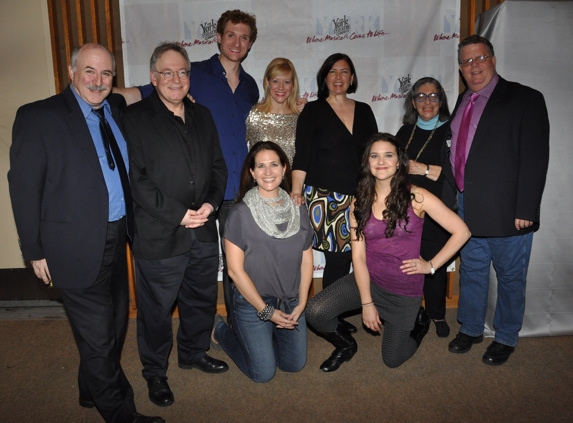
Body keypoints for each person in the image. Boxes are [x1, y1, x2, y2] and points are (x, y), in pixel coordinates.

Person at [8, 43, 164, 423]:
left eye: (106, 73)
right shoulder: (39, 116)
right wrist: (33, 250)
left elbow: (138, 93)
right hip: (70, 246)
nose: (98, 80)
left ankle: (88, 390)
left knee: (110, 328)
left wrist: (172, 88)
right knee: (97, 338)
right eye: (90, 71)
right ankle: (121, 414)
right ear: (72, 71)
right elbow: (23, 187)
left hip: (115, 239)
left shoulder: (112, 108)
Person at [116, 9, 259, 326]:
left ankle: (239, 327)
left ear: (250, 44)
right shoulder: (191, 74)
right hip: (202, 197)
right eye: (231, 35)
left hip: (238, 191)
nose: (237, 42)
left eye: (244, 37)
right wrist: (99, 90)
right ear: (218, 37)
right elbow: (140, 93)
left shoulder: (251, 86)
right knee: (184, 281)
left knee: (237, 266)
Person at [306, 133, 470, 371]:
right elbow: (359, 257)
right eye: (374, 155)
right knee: (316, 311)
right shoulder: (359, 202)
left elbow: (462, 231)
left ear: (398, 161)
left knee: (392, 359)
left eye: (388, 155)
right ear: (367, 162)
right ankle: (346, 346)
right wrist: (367, 303)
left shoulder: (417, 197)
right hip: (368, 281)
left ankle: (420, 322)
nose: (381, 161)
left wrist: (431, 265)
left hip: (404, 291)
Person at [122, 42, 228, 407]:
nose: (175, 78)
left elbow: (218, 166)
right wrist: (178, 214)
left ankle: (194, 353)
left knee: (200, 301)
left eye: (182, 71)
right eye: (167, 72)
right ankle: (154, 373)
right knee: (156, 311)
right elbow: (136, 180)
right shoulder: (134, 119)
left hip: (202, 229)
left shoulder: (204, 116)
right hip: (159, 233)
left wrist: (212, 204)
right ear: (153, 78)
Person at [442, 35, 550, 365]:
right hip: (467, 208)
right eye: (466, 62)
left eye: (480, 58)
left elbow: (535, 157)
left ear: (493, 59)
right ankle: (471, 328)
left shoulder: (525, 98)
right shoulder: (463, 100)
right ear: (460, 68)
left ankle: (505, 336)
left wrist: (526, 208)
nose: (473, 66)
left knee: (510, 276)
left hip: (508, 211)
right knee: (472, 272)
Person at [212, 141, 314, 382]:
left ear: (284, 168)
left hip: (290, 299)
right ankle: (220, 330)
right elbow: (235, 272)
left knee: (294, 365)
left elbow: (306, 260)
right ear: (252, 173)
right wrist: (267, 311)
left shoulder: (298, 207)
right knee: (263, 373)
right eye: (260, 166)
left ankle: (266, 336)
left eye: (274, 165)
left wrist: (301, 304)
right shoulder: (239, 213)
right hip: (252, 302)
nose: (268, 172)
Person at [291, 53, 378, 331]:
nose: (338, 77)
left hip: (363, 196)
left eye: (344, 72)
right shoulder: (313, 111)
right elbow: (301, 156)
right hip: (327, 198)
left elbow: (374, 154)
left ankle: (337, 310)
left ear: (352, 78)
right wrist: (295, 191)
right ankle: (328, 317)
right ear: (324, 77)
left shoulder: (364, 109)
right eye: (332, 71)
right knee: (338, 260)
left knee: (361, 257)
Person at [396, 77, 452, 338]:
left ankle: (437, 314)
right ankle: (409, 313)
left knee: (433, 266)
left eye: (433, 96)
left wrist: (422, 169)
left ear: (441, 100)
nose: (427, 102)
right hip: (405, 210)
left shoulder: (451, 131)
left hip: (436, 209)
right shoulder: (405, 132)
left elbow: (456, 174)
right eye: (421, 96)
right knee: (406, 264)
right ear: (413, 101)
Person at [246, 58, 300, 165]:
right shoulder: (253, 115)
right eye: (275, 81)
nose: (281, 87)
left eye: (287, 82)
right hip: (260, 180)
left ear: (293, 85)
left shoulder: (300, 118)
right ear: (267, 82)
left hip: (293, 181)